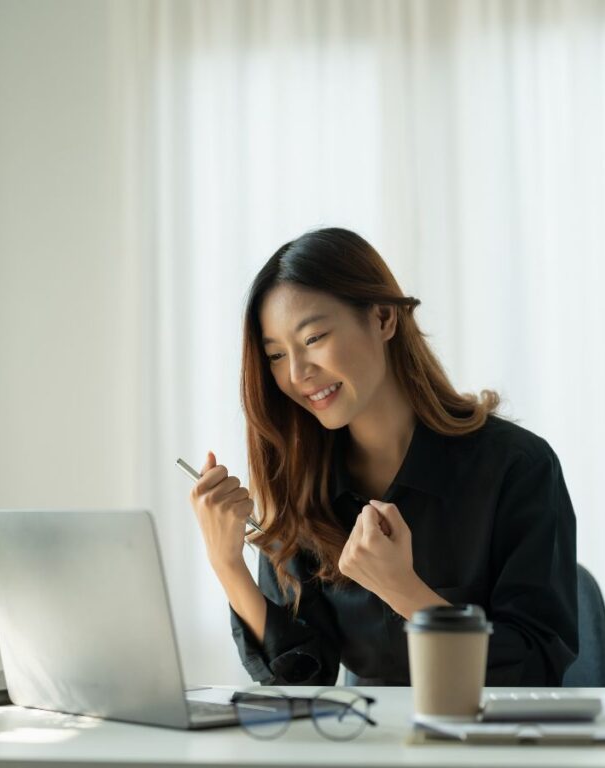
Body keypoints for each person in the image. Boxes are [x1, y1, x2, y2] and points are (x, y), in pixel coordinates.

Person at [189, 228, 578, 687]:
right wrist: (227, 565)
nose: (297, 373)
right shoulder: (301, 486)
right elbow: (302, 681)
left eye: (313, 338)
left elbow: (536, 665)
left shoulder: (517, 466)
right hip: (371, 748)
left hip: (494, 748)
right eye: (276, 354)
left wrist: (405, 591)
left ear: (383, 318)